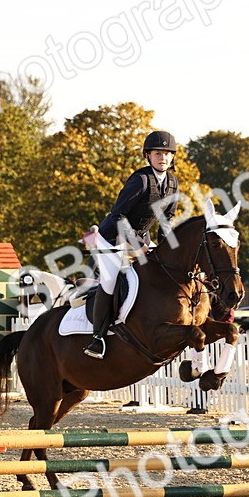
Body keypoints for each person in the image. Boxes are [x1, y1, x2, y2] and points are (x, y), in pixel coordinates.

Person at [84, 130, 181, 359]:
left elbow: (166, 220)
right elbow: (117, 215)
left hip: (142, 238)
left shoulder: (172, 183)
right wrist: (137, 244)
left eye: (167, 154)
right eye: (158, 153)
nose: (163, 158)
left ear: (172, 157)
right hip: (111, 239)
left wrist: (170, 249)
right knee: (110, 282)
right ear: (148, 156)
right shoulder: (141, 180)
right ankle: (97, 338)